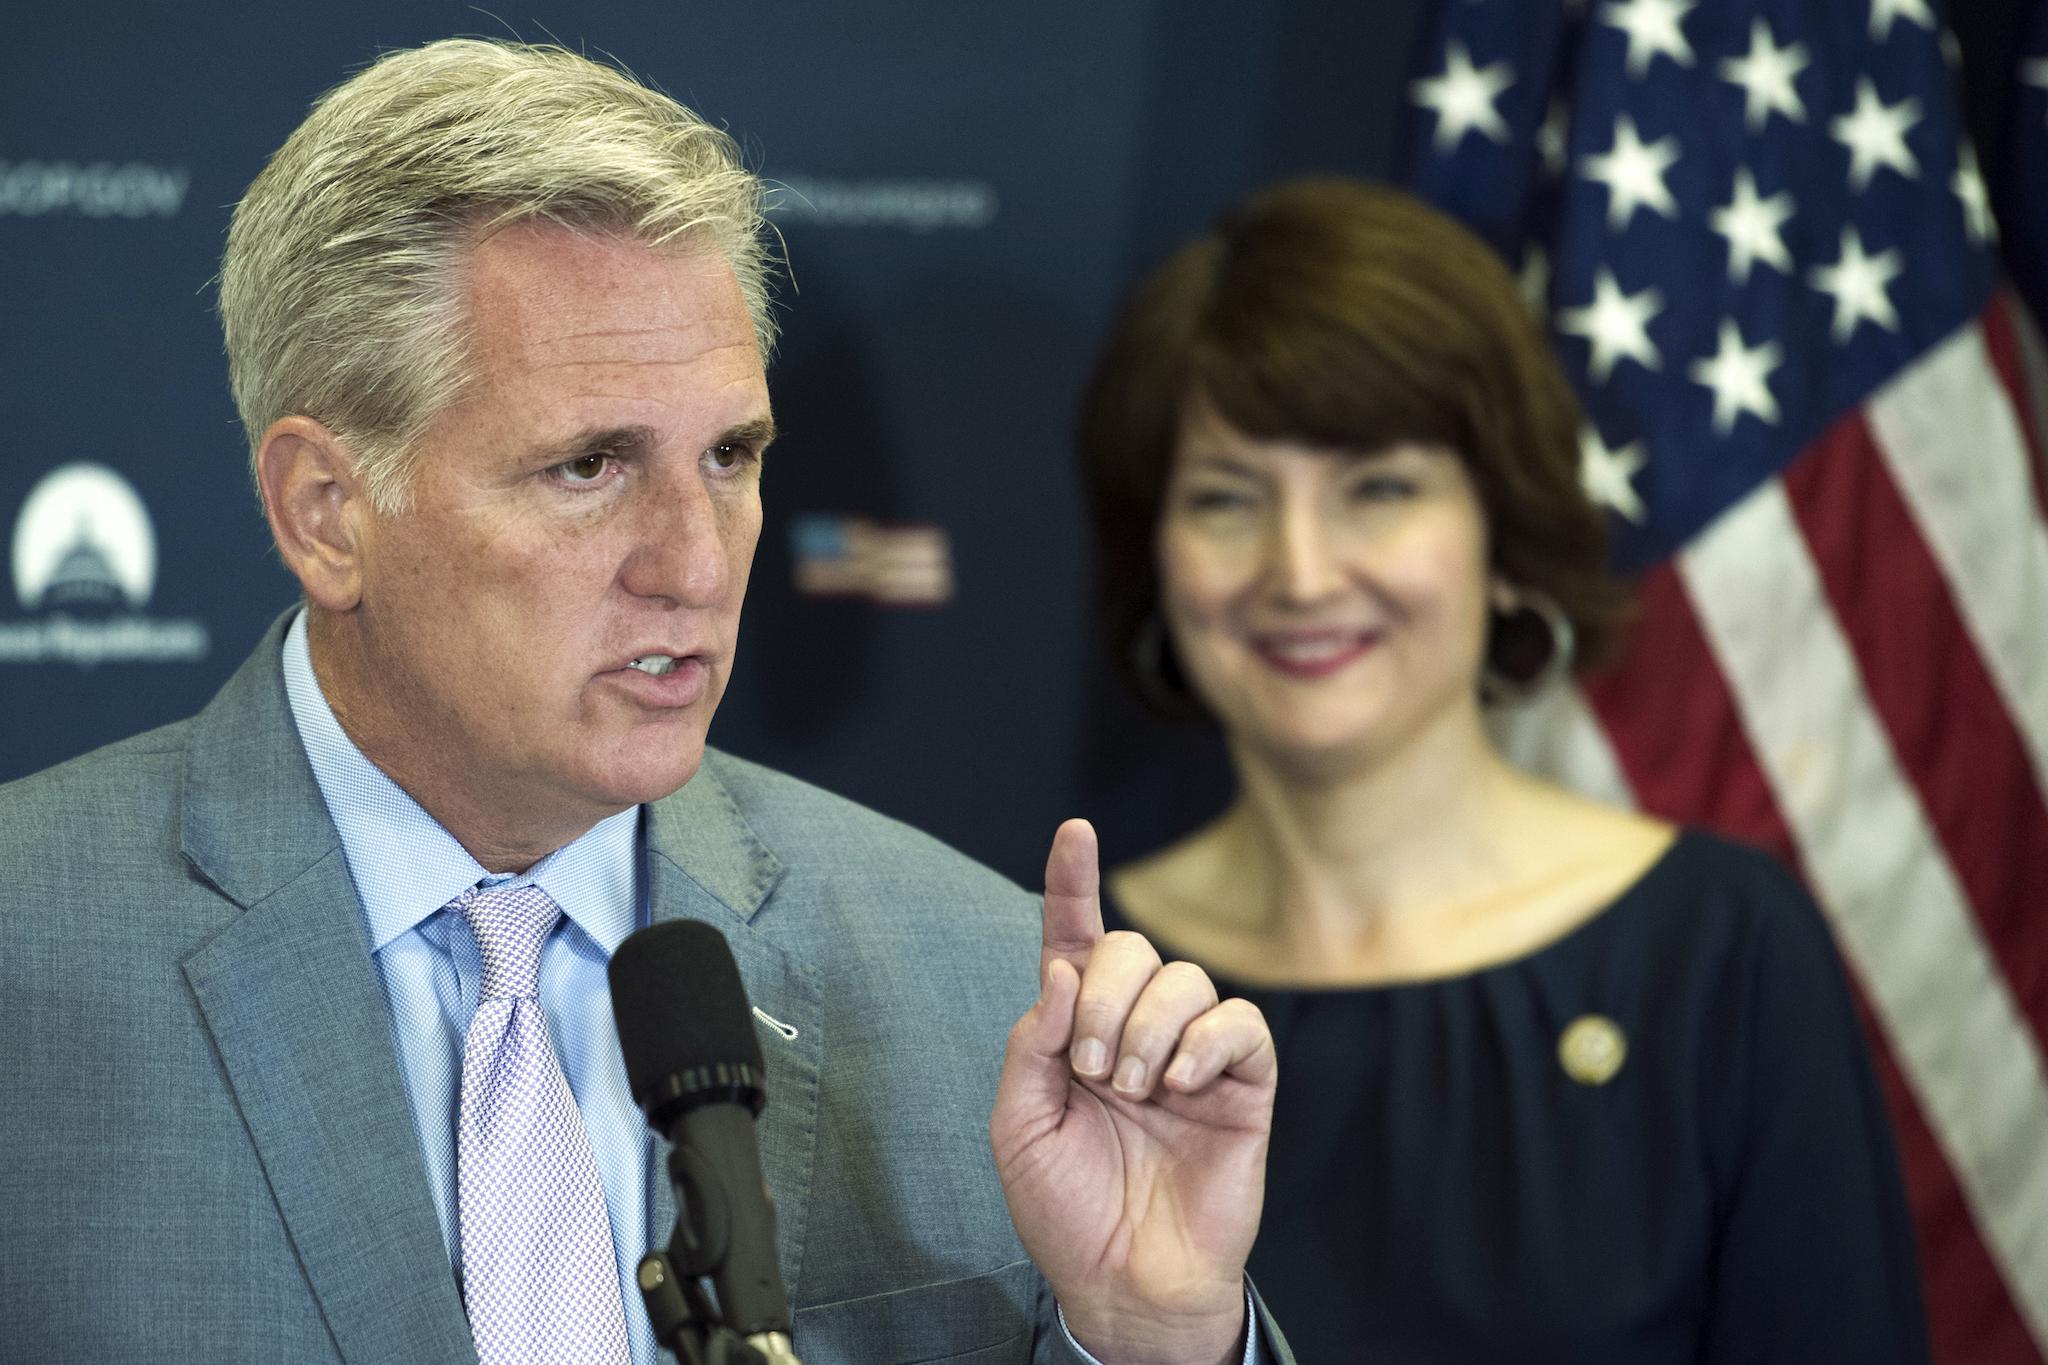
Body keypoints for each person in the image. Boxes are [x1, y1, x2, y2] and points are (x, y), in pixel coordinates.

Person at [0, 40, 1291, 1365]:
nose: (694, 563)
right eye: (587, 466)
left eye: (731, 455)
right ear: (326, 514)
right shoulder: (27, 956)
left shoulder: (984, 991)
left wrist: (1152, 1336)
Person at [1075, 178, 1931, 1364]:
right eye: (1227, 499)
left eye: (1378, 488)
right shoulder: (1086, 994)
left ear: (1503, 532)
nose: (1302, 569)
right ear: (1154, 554)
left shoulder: (1719, 954)